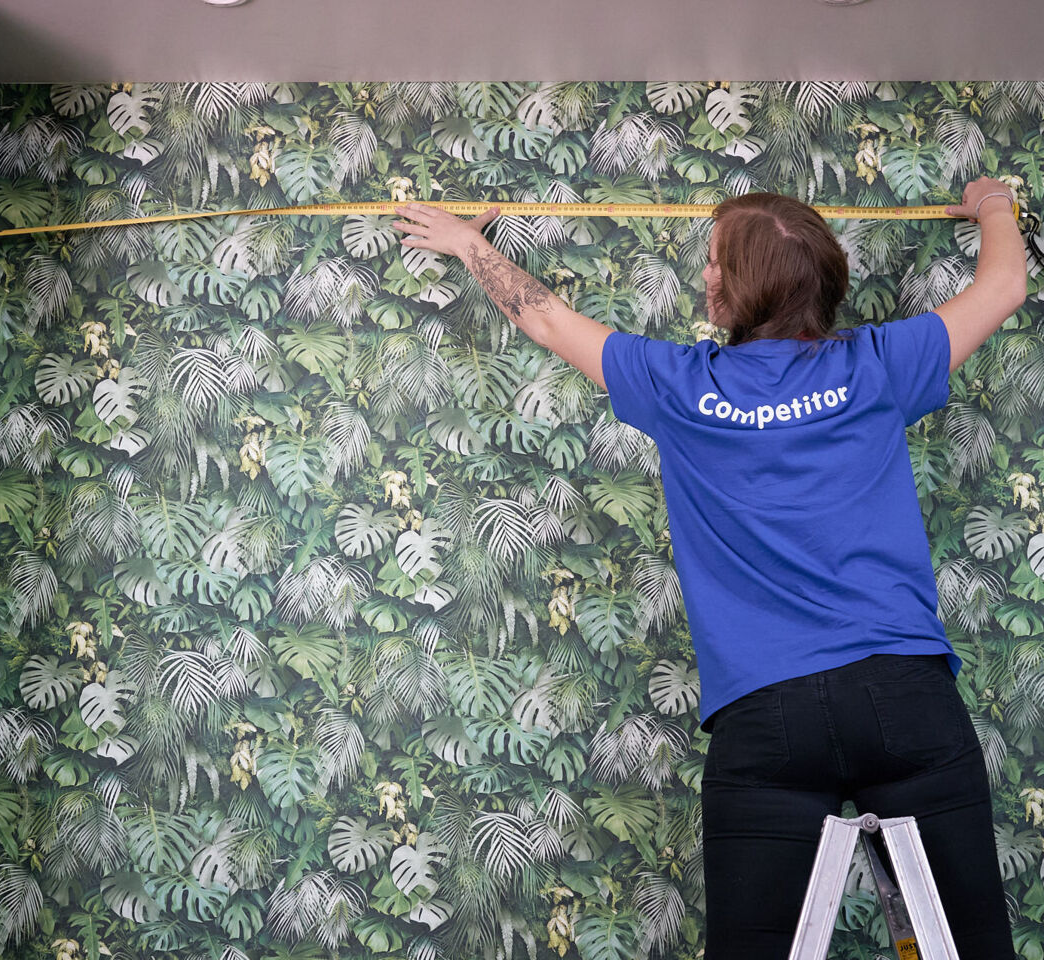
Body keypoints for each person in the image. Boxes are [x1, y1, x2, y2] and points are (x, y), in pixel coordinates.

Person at [391, 177, 1027, 960]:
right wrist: (992, 205)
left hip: (767, 717)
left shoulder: (681, 386)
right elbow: (1005, 284)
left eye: (717, 261)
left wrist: (466, 243)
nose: (706, 275)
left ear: (748, 284)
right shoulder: (880, 363)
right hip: (904, 700)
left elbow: (546, 318)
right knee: (973, 947)